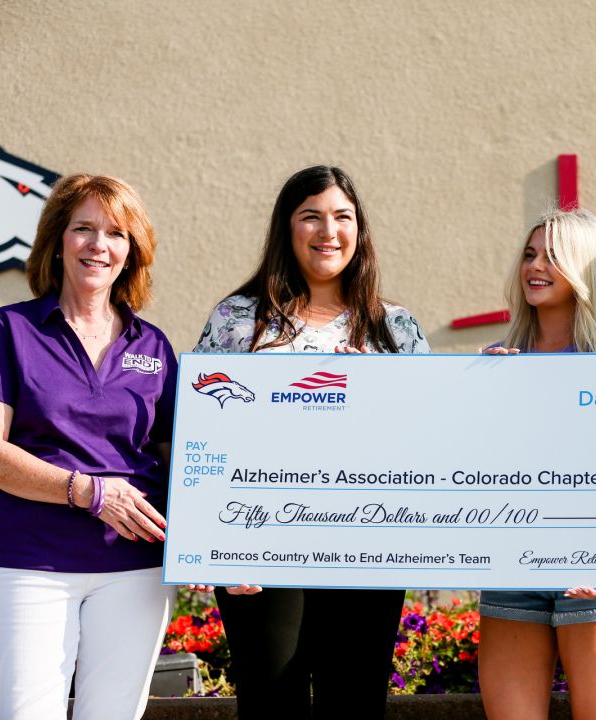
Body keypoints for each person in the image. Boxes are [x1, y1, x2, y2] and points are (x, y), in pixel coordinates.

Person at [191, 165, 430, 718]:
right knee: (272, 701)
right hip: (260, 544)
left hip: (368, 544)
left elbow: (426, 440)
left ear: (359, 230)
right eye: (311, 217)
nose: (329, 231)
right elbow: (201, 434)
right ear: (287, 228)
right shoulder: (238, 320)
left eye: (342, 217)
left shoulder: (395, 330)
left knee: (356, 701)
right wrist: (217, 544)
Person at [0, 174, 177, 720]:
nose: (98, 244)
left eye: (115, 233)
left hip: (134, 565)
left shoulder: (154, 346)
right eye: (83, 228)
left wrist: (222, 543)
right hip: (31, 561)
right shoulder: (10, 330)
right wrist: (88, 491)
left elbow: (181, 462)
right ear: (58, 241)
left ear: (131, 250)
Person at [478, 208, 596, 720]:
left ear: (585, 268)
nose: (536, 265)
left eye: (554, 255)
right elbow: (472, 474)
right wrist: (479, 397)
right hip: (513, 566)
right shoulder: (495, 362)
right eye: (530, 254)